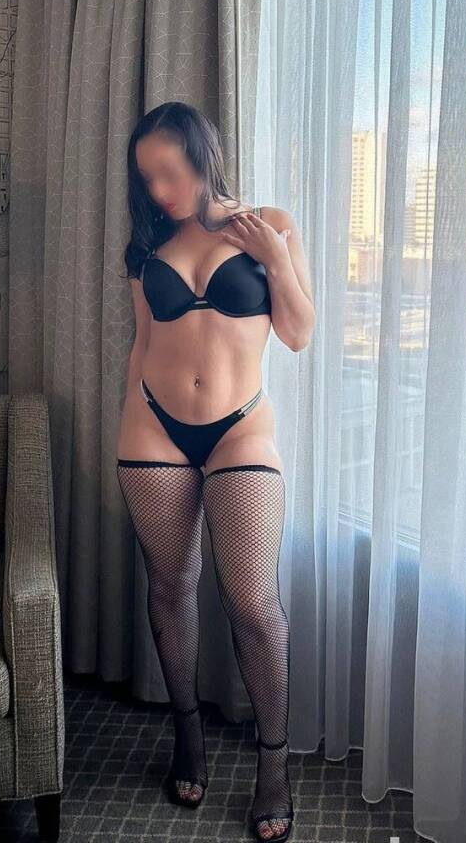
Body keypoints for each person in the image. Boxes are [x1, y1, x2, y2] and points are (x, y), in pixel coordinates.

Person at [116, 101, 315, 842]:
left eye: (170, 171)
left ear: (205, 156)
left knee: (254, 605)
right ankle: (188, 734)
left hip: (241, 428)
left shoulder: (271, 224)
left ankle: (274, 767)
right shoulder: (147, 246)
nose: (160, 189)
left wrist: (274, 257)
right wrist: (128, 421)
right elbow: (142, 344)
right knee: (170, 586)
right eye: (148, 177)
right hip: (152, 428)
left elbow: (298, 333)